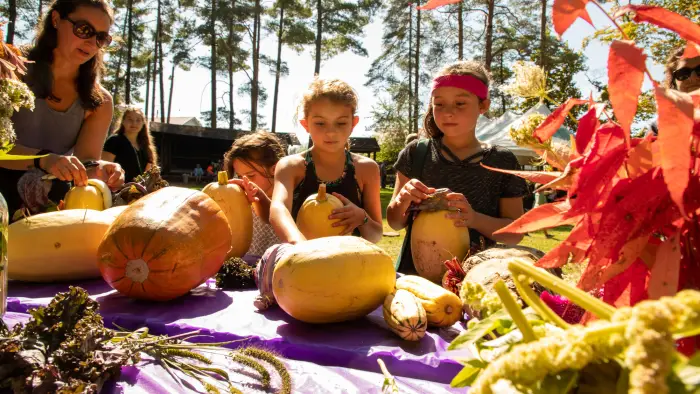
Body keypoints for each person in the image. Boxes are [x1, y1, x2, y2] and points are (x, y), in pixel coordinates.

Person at [387, 60, 527, 275]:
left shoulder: (502, 161)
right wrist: (403, 198)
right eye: (439, 104)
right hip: (415, 278)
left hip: (479, 279)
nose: (448, 112)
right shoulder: (416, 153)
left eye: (460, 103)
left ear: (483, 106)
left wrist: (473, 219)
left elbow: (515, 233)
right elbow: (395, 222)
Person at [0, 0, 124, 216]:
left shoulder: (99, 101)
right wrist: (42, 159)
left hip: (50, 212)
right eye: (84, 29)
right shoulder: (10, 70)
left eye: (101, 37)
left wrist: (102, 169)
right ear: (56, 20)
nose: (92, 42)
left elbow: (85, 166)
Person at [269, 78, 383, 244]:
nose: (331, 132)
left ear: (353, 123)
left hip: (351, 265)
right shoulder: (291, 167)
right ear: (305, 124)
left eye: (341, 122)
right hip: (302, 265)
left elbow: (376, 235)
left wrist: (362, 218)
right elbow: (278, 209)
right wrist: (300, 246)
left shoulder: (367, 169)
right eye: (320, 123)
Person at [222, 131, 285, 259]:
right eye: (240, 176)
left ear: (275, 169)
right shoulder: (240, 200)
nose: (245, 182)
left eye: (251, 175)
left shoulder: (291, 200)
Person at [646, 45, 700, 136]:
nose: (693, 78)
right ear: (673, 83)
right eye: (683, 74)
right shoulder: (659, 128)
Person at [102, 106, 157, 182]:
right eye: (130, 120)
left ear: (143, 123)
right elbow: (104, 169)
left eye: (138, 120)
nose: (134, 123)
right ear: (123, 121)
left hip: (140, 191)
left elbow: (149, 174)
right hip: (117, 191)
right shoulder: (114, 141)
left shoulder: (145, 146)